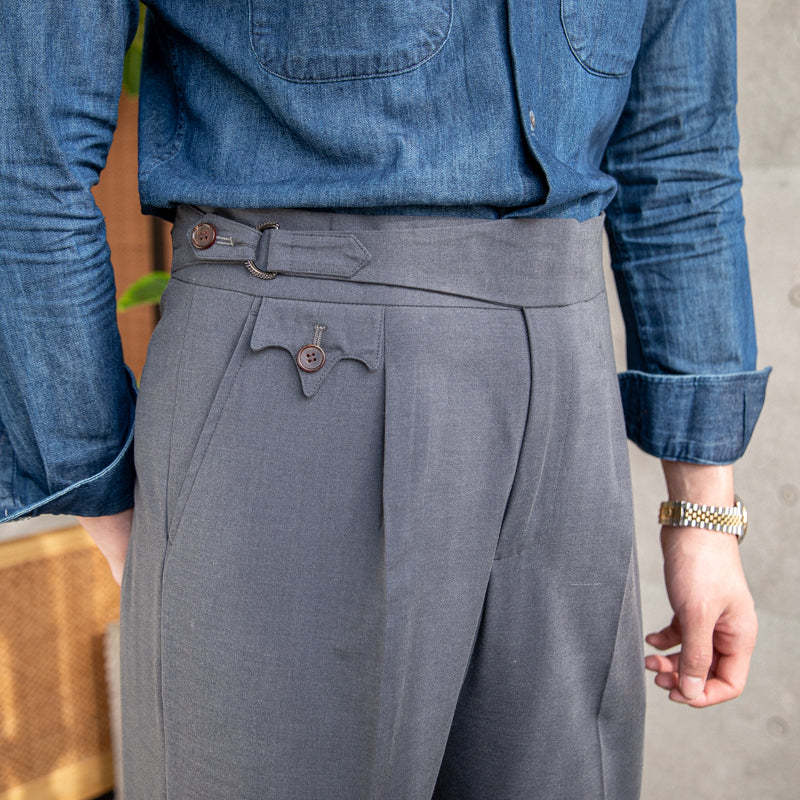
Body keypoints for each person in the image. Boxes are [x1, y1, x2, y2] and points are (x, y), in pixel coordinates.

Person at [0, 1, 771, 798]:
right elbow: (25, 154)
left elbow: (681, 159)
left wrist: (703, 510)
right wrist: (92, 478)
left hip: (568, 401)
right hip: (293, 382)